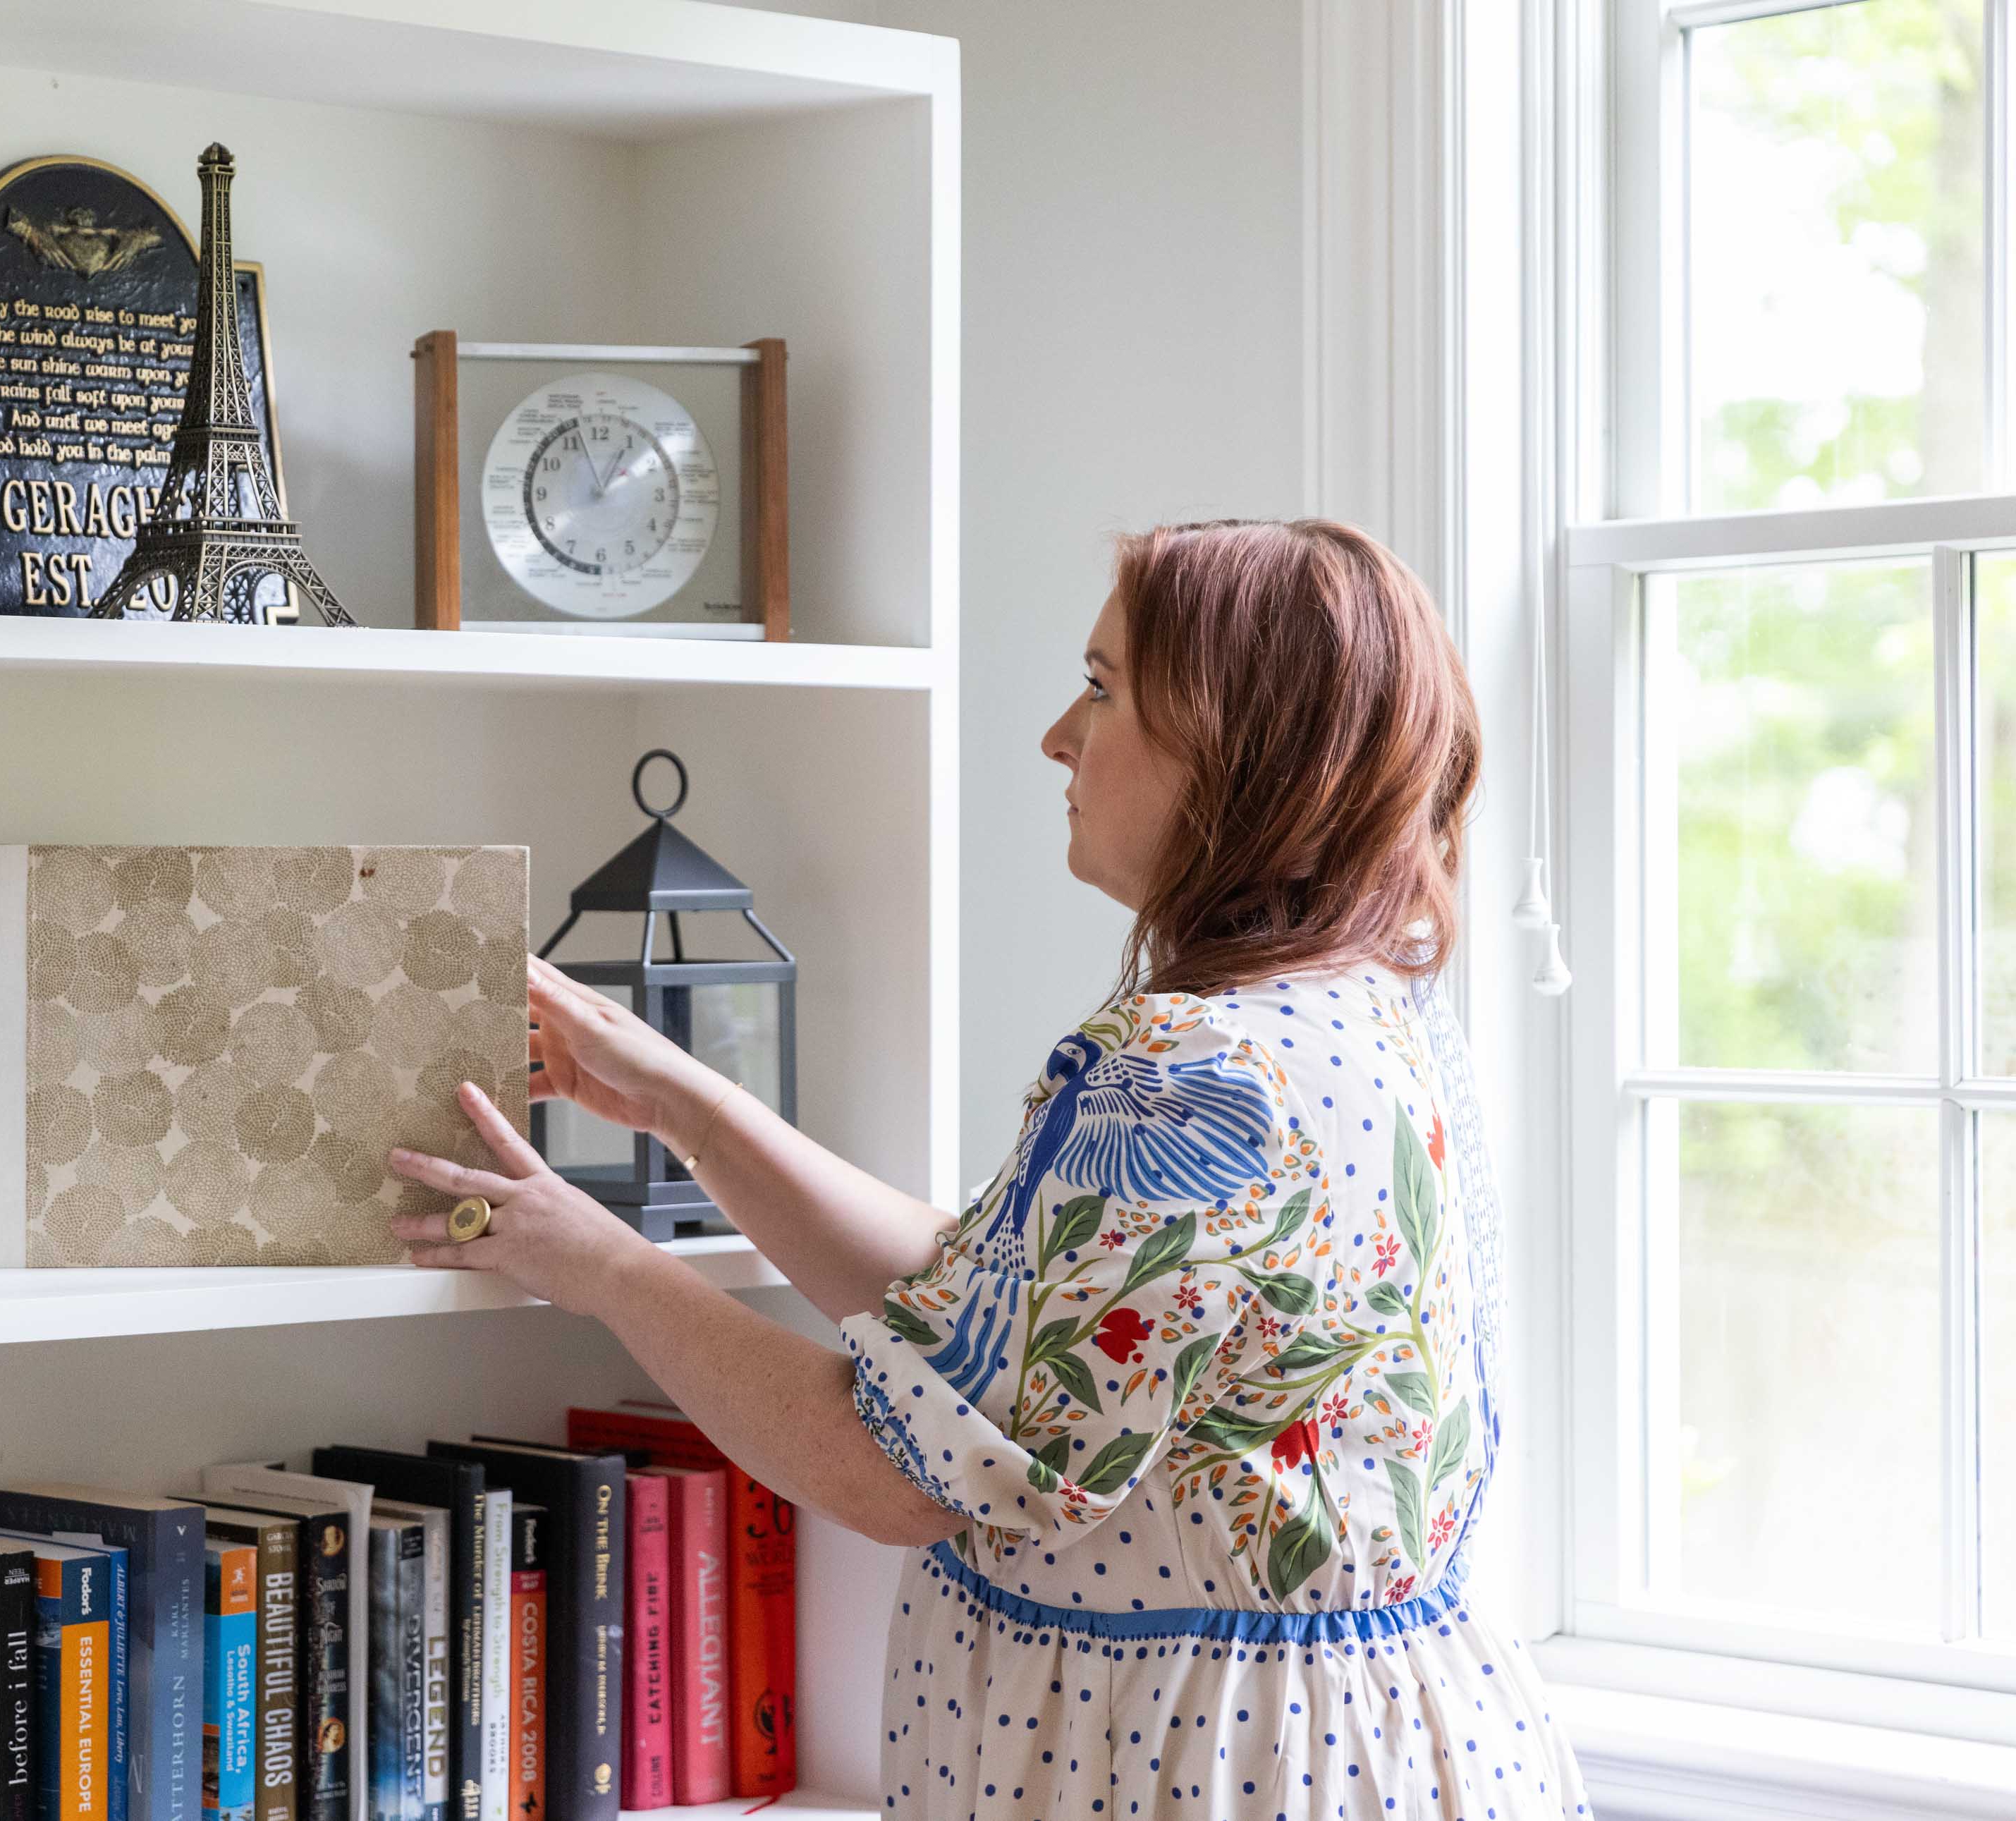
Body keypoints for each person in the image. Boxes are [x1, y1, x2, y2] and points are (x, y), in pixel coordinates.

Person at [388, 518, 1590, 1819]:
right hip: (1367, 1740)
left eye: (1102, 688)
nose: (1058, 737)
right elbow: (998, 1319)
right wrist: (686, 1103)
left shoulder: (1191, 1064)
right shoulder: (1364, 1009)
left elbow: (895, 1467)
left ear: (1241, 749)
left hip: (1205, 1764)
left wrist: (606, 1267)